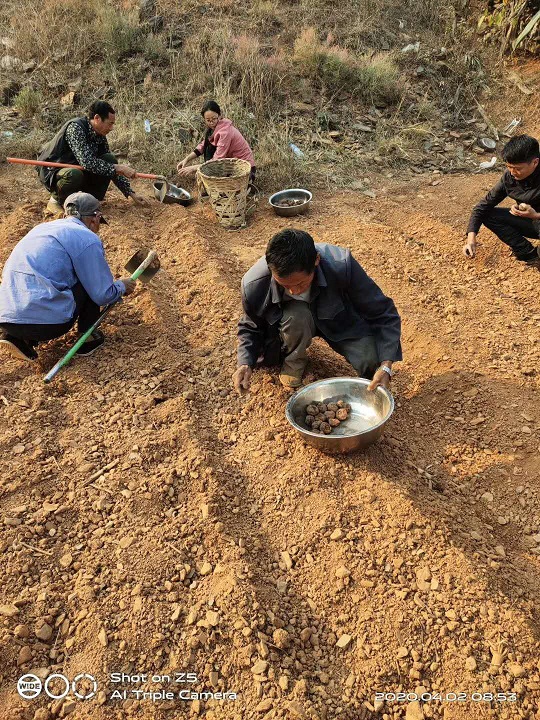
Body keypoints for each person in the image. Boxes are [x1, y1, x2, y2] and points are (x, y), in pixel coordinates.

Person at [233, 229, 402, 394]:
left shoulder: (342, 266)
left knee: (372, 361)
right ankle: (293, 362)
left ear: (316, 260)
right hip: (292, 324)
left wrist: (386, 366)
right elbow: (251, 326)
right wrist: (245, 363)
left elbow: (383, 313)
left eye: (300, 283)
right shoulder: (254, 285)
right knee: (297, 316)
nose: (293, 291)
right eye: (284, 285)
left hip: (338, 319)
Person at [0, 192, 136, 362]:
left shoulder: (41, 229)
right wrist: (121, 286)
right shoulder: (87, 238)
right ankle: (87, 338)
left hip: (5, 316)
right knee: (88, 281)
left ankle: (15, 337)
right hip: (47, 325)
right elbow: (102, 294)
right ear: (95, 218)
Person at [37, 100, 147, 215]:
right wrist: (118, 168)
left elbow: (109, 167)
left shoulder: (100, 134)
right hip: (53, 171)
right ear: (97, 118)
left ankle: (87, 200)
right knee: (74, 174)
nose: (112, 128)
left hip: (78, 168)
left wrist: (131, 193)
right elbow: (87, 162)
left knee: (109, 159)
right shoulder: (75, 128)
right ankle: (55, 201)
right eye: (110, 123)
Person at [464, 134, 540, 264]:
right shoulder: (509, 177)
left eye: (517, 168)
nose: (512, 172)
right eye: (509, 167)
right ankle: (527, 253)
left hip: (536, 217)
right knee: (489, 214)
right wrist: (471, 240)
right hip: (531, 222)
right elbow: (482, 207)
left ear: (535, 162)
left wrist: (536, 215)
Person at [177, 100, 256, 184]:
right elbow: (202, 145)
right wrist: (187, 159)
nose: (211, 122)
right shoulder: (214, 128)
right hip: (230, 165)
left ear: (219, 115)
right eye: (208, 120)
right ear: (204, 119)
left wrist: (193, 168)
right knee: (208, 146)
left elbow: (217, 160)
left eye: (214, 119)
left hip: (245, 169)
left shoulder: (225, 132)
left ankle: (247, 183)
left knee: (222, 186)